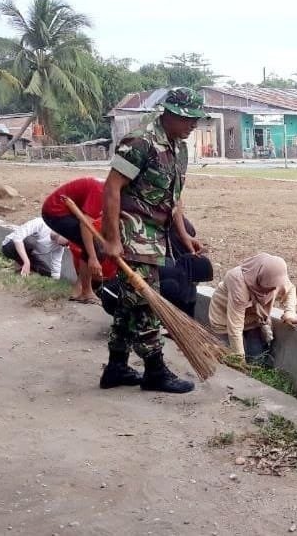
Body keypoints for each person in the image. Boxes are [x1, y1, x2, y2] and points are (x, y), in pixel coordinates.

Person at [98, 87, 208, 394]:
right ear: (169, 114)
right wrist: (112, 239)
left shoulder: (179, 148)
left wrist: (184, 236)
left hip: (156, 235)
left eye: (196, 119)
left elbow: (174, 198)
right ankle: (155, 370)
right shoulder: (140, 142)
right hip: (132, 232)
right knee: (147, 302)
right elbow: (111, 188)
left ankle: (116, 367)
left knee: (129, 302)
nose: (193, 125)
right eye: (187, 118)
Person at [209, 253, 297, 365]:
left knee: (257, 358)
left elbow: (290, 290)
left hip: (252, 320)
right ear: (260, 278)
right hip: (225, 320)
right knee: (227, 356)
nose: (271, 291)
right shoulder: (238, 282)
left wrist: (289, 314)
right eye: (268, 287)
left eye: (273, 288)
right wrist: (239, 361)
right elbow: (235, 326)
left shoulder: (276, 277)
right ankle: (209, 348)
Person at [42, 177, 105, 303]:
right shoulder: (101, 191)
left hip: (66, 212)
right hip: (55, 211)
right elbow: (85, 225)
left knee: (96, 248)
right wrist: (93, 257)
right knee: (93, 248)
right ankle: (86, 292)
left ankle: (79, 289)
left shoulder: (109, 193)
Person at [1, 217, 68, 279]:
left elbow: (56, 265)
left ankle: (22, 268)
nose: (67, 245)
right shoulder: (41, 223)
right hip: (9, 245)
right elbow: (17, 238)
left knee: (47, 272)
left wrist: (55, 279)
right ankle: (22, 264)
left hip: (29, 255)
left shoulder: (59, 246)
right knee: (29, 243)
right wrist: (27, 262)